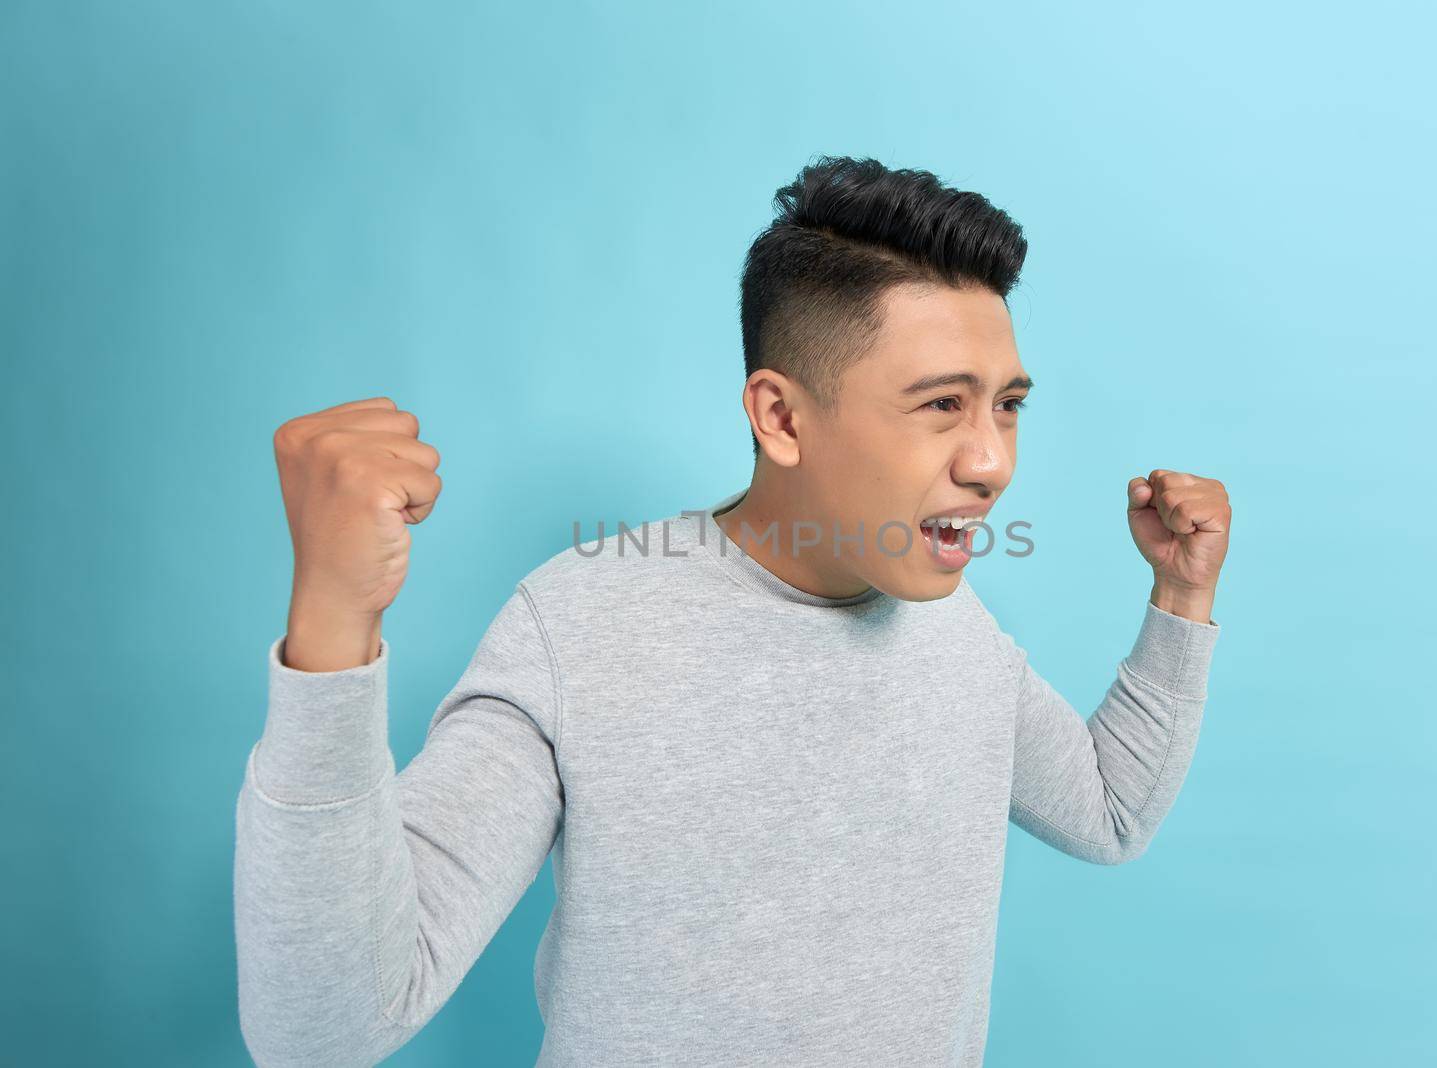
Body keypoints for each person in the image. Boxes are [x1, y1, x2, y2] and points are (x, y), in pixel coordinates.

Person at [234, 154, 1230, 1067]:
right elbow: (325, 1028)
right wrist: (332, 624)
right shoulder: (580, 628)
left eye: (1006, 404)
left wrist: (1181, 594)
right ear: (781, 416)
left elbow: (1108, 811)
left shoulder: (955, 628)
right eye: (940, 405)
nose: (991, 463)